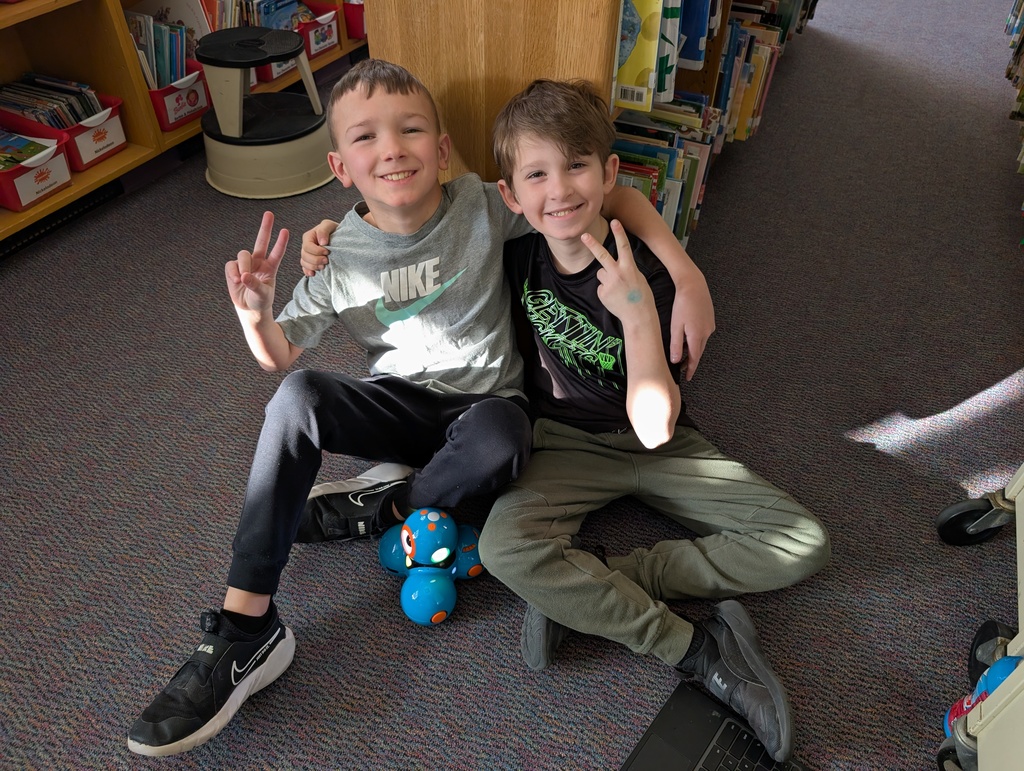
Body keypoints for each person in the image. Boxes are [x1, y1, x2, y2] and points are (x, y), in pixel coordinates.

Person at [128, 59, 715, 757]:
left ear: (441, 151)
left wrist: (685, 273)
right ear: (341, 167)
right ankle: (245, 626)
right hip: (399, 408)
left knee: (505, 433)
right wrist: (255, 314)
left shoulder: (483, 202)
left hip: (485, 410)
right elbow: (280, 356)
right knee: (297, 396)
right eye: (366, 137)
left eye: (409, 130)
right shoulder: (337, 253)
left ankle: (389, 506)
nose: (391, 149)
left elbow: (611, 197)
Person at [473, 79, 831, 763]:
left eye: (577, 166)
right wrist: (336, 237)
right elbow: (422, 224)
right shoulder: (517, 253)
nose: (560, 190)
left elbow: (657, 429)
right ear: (511, 196)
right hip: (564, 442)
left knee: (804, 541)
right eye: (537, 175)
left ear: (608, 172)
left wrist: (640, 313)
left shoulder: (650, 276)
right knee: (504, 548)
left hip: (662, 441)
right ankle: (696, 649)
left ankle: (609, 578)